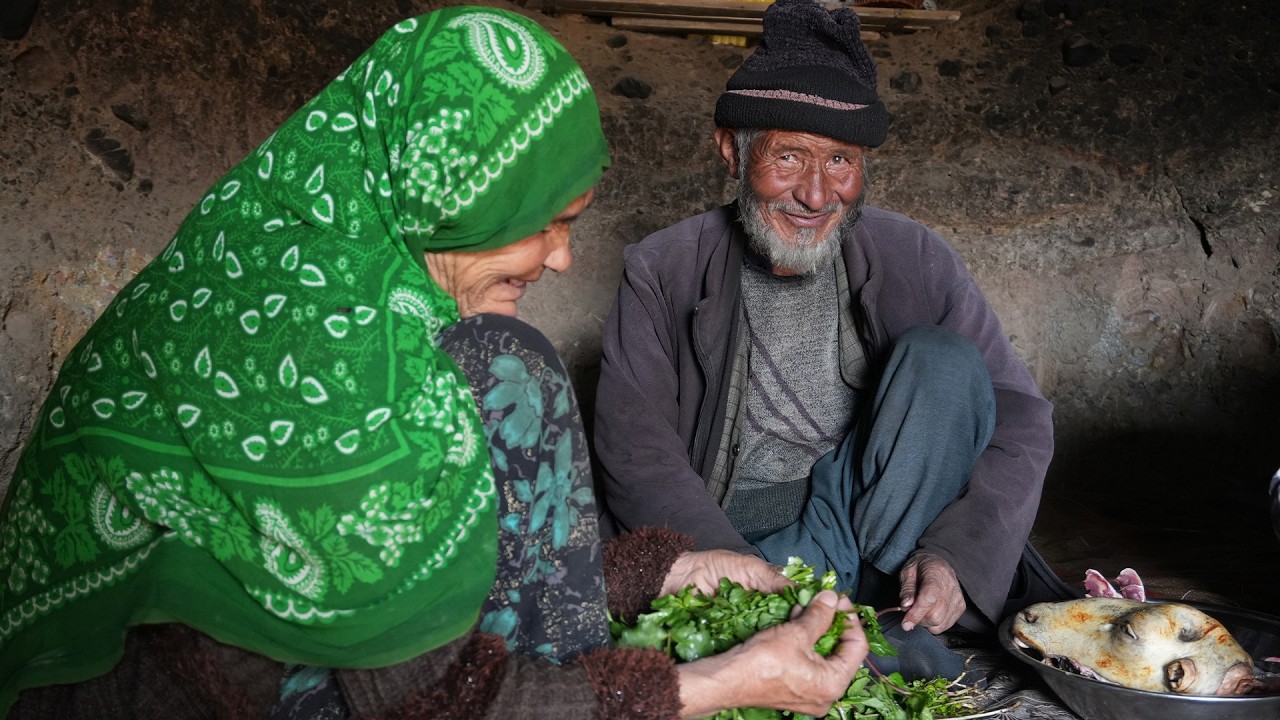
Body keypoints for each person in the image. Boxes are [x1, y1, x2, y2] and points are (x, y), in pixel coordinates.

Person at [0, 7, 867, 719]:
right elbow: (431, 701)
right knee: (508, 368)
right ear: (452, 196)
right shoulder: (331, 356)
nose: (562, 259)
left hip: (302, 663)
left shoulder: (334, 269)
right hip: (172, 696)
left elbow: (481, 569)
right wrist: (727, 684)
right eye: (547, 222)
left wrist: (665, 571)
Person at [594, 0, 1067, 647]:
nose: (817, 195)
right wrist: (730, 574)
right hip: (748, 542)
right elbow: (635, 448)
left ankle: (891, 617)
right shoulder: (663, 268)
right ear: (732, 152)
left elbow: (1019, 415)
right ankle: (855, 639)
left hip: (882, 534)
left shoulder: (915, 257)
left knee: (945, 362)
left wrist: (954, 557)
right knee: (735, 655)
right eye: (788, 158)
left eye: (840, 161)